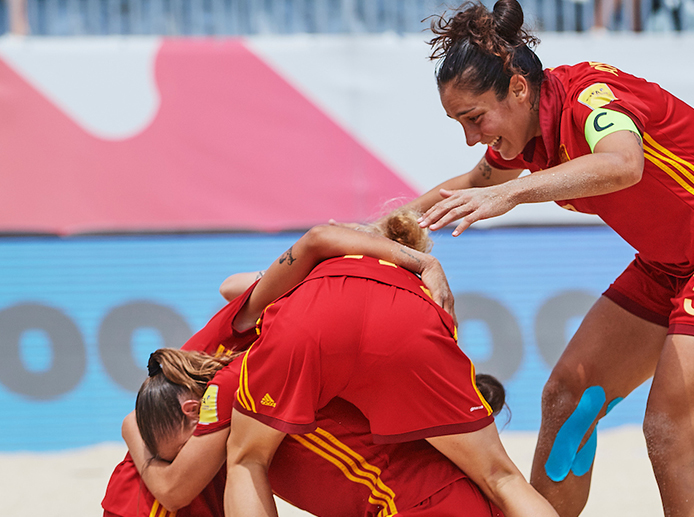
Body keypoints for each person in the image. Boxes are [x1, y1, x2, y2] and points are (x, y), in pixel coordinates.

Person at [388, 1, 694, 515]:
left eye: (474, 119)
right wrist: (381, 229)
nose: (472, 137)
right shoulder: (525, 133)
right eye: (460, 123)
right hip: (669, 262)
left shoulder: (590, 97)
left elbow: (623, 163)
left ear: (518, 88)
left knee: (670, 430)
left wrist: (511, 194)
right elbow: (475, 182)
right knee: (565, 396)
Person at [102, 209, 458, 516]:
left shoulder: (285, 338)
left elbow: (235, 284)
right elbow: (165, 477)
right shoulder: (226, 354)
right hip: (147, 503)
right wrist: (418, 259)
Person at [224, 252, 558, 517]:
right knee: (503, 477)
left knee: (246, 460)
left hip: (319, 313)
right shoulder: (411, 278)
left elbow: (232, 286)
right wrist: (425, 262)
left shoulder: (329, 258)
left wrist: (312, 259)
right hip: (409, 319)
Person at [115, 346, 509, 516]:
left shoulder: (229, 390)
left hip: (415, 506)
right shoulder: (248, 367)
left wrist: (131, 430)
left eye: (183, 452)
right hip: (427, 498)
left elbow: (173, 489)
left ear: (192, 410)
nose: (194, 464)